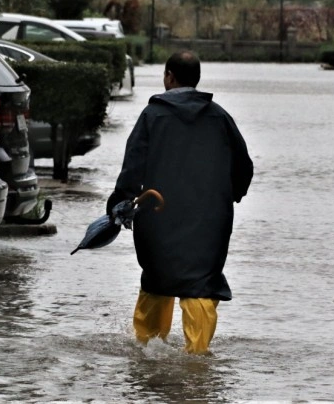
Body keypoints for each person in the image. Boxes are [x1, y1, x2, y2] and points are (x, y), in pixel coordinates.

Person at [107, 50, 253, 354]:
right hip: (209, 221)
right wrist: (229, 196)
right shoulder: (220, 117)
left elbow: (133, 167)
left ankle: (147, 350)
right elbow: (244, 167)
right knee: (200, 283)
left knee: (158, 279)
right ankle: (197, 363)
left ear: (169, 77)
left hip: (159, 216)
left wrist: (119, 204)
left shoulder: (153, 116)